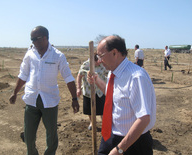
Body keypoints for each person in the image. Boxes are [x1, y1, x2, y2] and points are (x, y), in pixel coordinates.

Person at [9, 26, 79, 155]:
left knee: (51, 135)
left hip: (50, 102)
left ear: (45, 38)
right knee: (28, 136)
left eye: (36, 39)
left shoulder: (58, 56)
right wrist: (15, 93)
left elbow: (68, 77)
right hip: (31, 99)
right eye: (32, 39)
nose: (33, 42)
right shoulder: (30, 54)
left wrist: (74, 98)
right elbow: (23, 75)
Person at [87, 35, 156, 155]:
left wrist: (120, 149)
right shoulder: (113, 72)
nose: (99, 60)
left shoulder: (136, 77)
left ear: (114, 53)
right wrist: (96, 80)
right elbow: (111, 95)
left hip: (134, 143)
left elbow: (144, 119)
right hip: (110, 134)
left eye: (101, 56)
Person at [76, 53, 108, 130]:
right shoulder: (86, 65)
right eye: (98, 61)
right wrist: (78, 88)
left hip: (100, 91)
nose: (100, 62)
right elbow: (79, 75)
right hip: (88, 91)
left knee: (103, 108)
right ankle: (92, 123)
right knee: (90, 109)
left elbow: (108, 73)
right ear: (93, 61)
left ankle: (105, 124)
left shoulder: (102, 65)